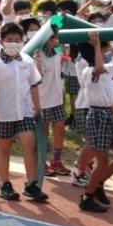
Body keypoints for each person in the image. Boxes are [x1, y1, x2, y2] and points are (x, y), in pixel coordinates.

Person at [0, 22, 47, 202]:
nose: (13, 43)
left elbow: (33, 85)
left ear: (23, 41)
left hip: (24, 112)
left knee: (30, 144)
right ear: (2, 41)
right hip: (2, 113)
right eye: (9, 40)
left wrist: (37, 107)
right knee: (4, 148)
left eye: (17, 40)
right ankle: (5, 183)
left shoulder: (27, 61)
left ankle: (31, 183)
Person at [76, 32, 113, 213]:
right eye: (102, 49)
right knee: (103, 160)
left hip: (109, 115)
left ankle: (97, 184)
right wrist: (97, 45)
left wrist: (111, 48)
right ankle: (87, 197)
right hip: (97, 116)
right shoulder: (89, 71)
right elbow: (97, 68)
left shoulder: (109, 67)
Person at [36, 28, 68, 176]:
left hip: (57, 98)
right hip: (43, 100)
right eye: (51, 39)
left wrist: (60, 19)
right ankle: (41, 162)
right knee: (43, 132)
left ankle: (56, 160)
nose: (55, 41)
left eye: (56, 38)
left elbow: (64, 55)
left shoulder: (57, 51)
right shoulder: (38, 54)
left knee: (60, 129)